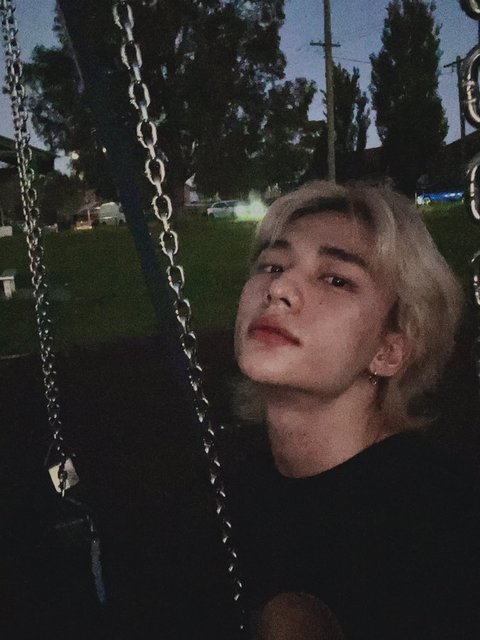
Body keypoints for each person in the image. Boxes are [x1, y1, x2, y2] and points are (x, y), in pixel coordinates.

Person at [231, 180, 480, 639]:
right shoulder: (231, 486)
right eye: (272, 265)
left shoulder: (445, 523)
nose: (279, 288)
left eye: (336, 279)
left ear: (388, 351)